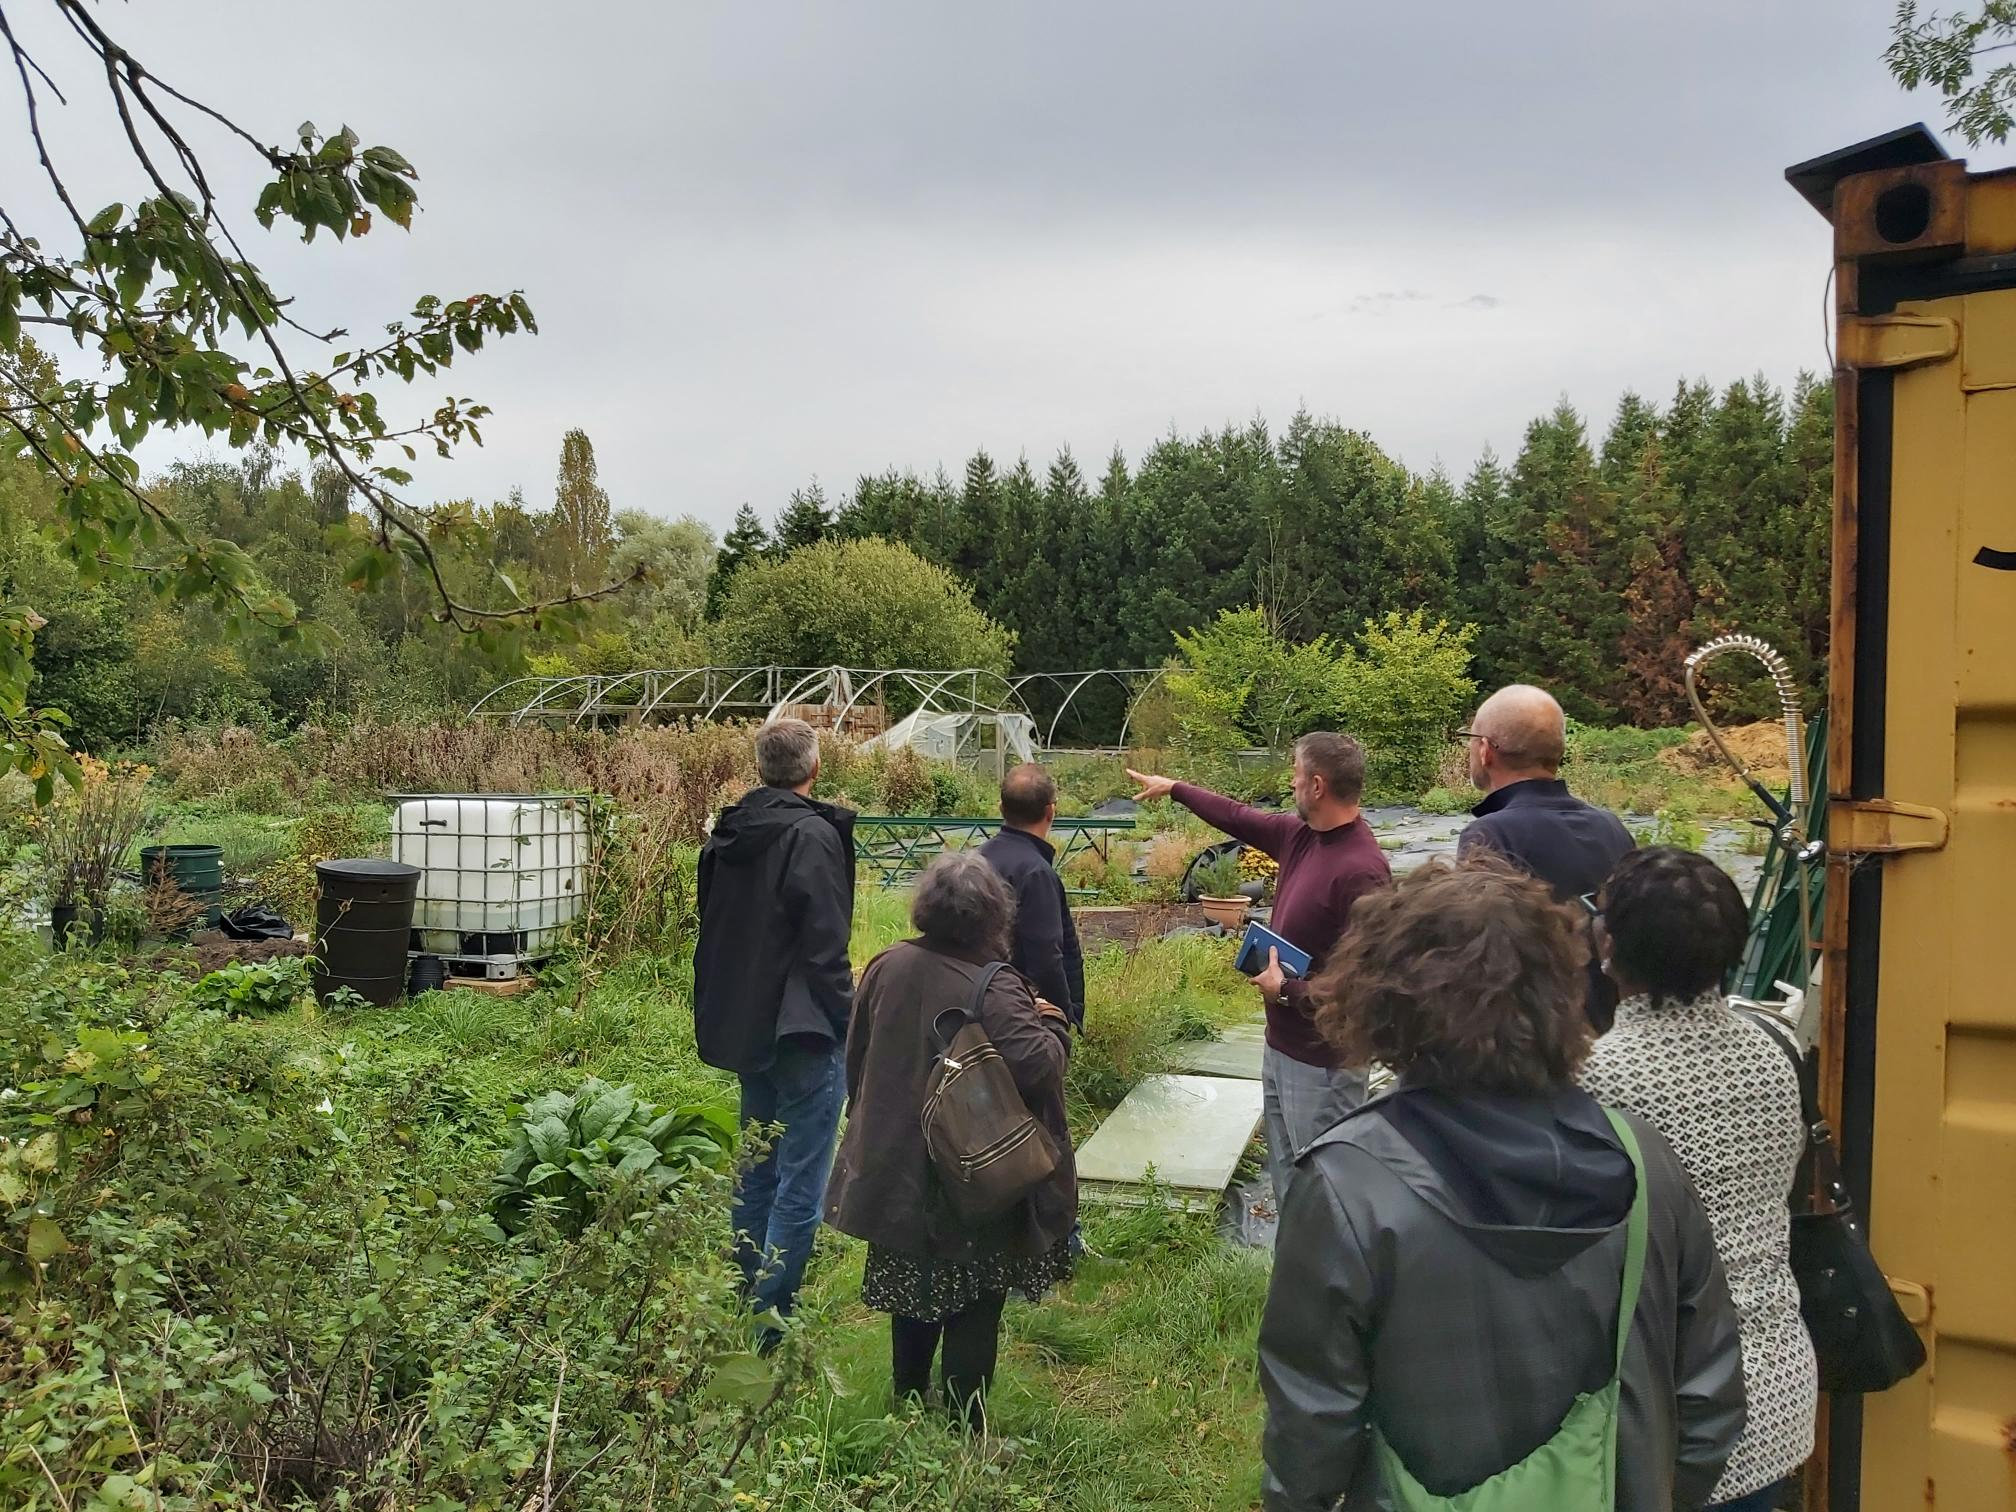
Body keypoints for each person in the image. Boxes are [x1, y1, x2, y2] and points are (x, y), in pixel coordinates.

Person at [1257, 855, 1747, 1512]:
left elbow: (1311, 1432)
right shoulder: (1646, 1160)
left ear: (1383, 997)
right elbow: (1711, 1402)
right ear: (1561, 988)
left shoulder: (1347, 1184)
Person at [1580, 847, 1817, 1512]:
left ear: (1609, 946)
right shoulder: (1777, 1049)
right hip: (1774, 1390)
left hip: (1661, 1415)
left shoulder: (1594, 1078)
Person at [824, 850, 1076, 1432]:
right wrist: (1054, 1021)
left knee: (913, 1288)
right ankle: (966, 1427)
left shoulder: (887, 965)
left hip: (895, 1161)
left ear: (926, 907)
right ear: (993, 916)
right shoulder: (995, 985)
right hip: (970, 1167)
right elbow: (1039, 1067)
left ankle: (908, 1404)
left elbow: (856, 1053)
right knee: (974, 1300)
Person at [1128, 732, 1390, 1205]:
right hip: (1282, 1048)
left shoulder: (1360, 871)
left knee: (1326, 1197)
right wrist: (1175, 788)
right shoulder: (1300, 836)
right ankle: (1295, 1274)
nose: (1289, 783)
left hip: (1324, 1066)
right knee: (1291, 1184)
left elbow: (1370, 989)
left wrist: (1288, 990)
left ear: (1316, 785)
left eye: (1294, 774)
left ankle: (1329, 1276)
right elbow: (1238, 816)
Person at [693, 717, 856, 1341]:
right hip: (804, 1028)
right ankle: (771, 1320)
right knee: (800, 1177)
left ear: (763, 769)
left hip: (747, 1019)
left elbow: (717, 923)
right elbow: (824, 946)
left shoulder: (729, 833)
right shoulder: (811, 836)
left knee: (757, 1164)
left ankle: (742, 1296)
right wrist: (850, 1017)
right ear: (813, 770)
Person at [1456, 682, 1635, 1027]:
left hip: (1540, 1043)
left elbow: (1478, 960)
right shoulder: (1611, 826)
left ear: (1486, 751)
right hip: (1611, 1031)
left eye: (1471, 738)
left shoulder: (1491, 835)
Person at [978, 762, 1086, 1028]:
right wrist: (1062, 1017)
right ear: (1051, 811)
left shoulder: (974, 860)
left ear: (1001, 808)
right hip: (1019, 1013)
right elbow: (1046, 956)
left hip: (973, 999)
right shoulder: (1036, 873)